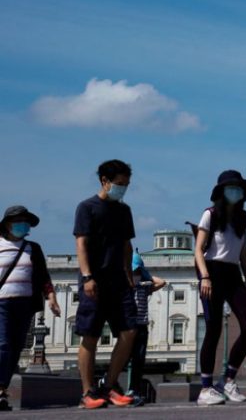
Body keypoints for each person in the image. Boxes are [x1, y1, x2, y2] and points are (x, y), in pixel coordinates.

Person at [74, 160, 138, 409]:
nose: (123, 189)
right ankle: (87, 392)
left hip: (119, 281)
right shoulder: (87, 207)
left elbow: (126, 245)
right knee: (90, 335)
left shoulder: (124, 211)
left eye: (126, 185)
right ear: (104, 181)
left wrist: (129, 276)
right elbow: (81, 244)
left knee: (130, 331)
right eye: (120, 184)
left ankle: (109, 386)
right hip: (95, 279)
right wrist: (87, 276)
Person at [194, 170, 246, 406]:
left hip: (232, 273)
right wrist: (205, 277)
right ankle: (206, 388)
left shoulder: (243, 217)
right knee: (213, 329)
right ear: (222, 191)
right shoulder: (209, 215)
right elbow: (198, 249)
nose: (236, 192)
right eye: (232, 188)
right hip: (211, 270)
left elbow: (243, 253)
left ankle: (228, 380)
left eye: (239, 188)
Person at [0, 206, 60, 412]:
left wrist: (51, 297)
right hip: (1, 302)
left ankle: (2, 390)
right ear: (7, 224)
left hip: (24, 304)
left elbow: (43, 275)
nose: (22, 225)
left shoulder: (33, 248)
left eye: (25, 221)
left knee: (15, 348)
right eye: (18, 220)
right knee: (4, 345)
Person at [127, 251, 166, 405]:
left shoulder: (144, 288)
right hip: (128, 327)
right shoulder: (125, 289)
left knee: (138, 360)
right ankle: (109, 383)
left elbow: (161, 282)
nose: (134, 274)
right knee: (124, 359)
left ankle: (134, 390)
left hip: (142, 327)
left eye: (137, 271)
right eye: (132, 271)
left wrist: (146, 277)